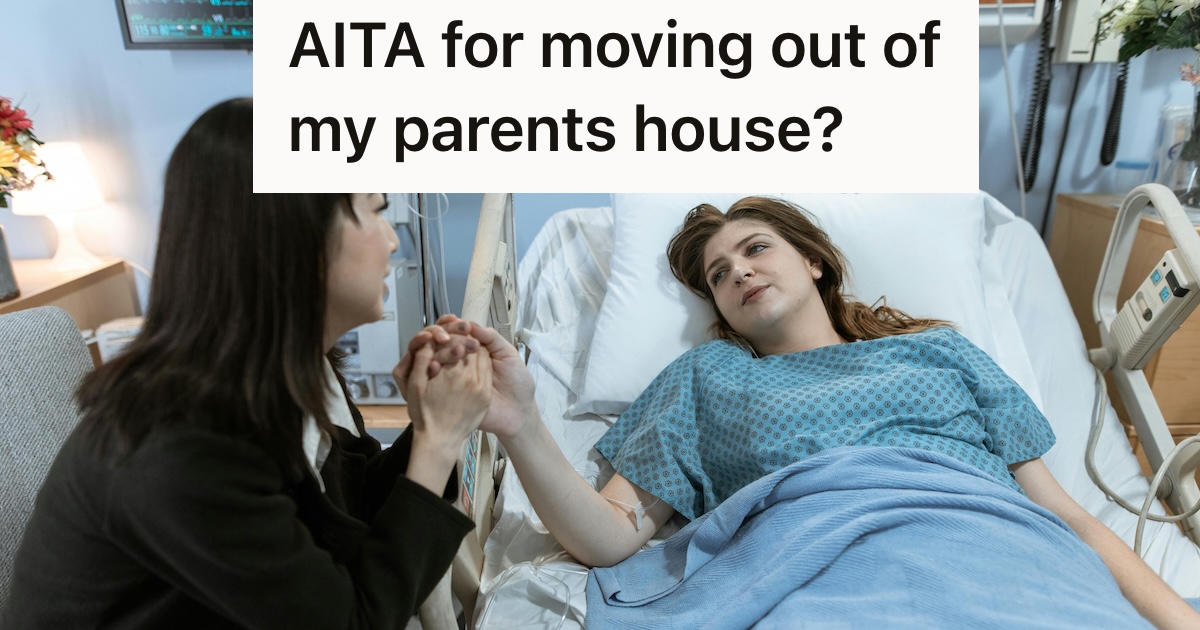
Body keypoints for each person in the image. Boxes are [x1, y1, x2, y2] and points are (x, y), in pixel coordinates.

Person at [406, 196, 1200, 628]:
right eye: (718, 275)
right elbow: (611, 539)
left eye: (755, 248)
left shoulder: (941, 352)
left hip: (1006, 554)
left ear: (814, 262)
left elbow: (1068, 516)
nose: (739, 272)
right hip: (821, 567)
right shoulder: (707, 378)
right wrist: (521, 423)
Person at [0, 98, 492, 629]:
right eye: (376, 210)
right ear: (301, 235)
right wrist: (439, 443)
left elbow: (349, 510)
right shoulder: (183, 445)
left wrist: (428, 429)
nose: (394, 240)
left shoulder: (285, 369)